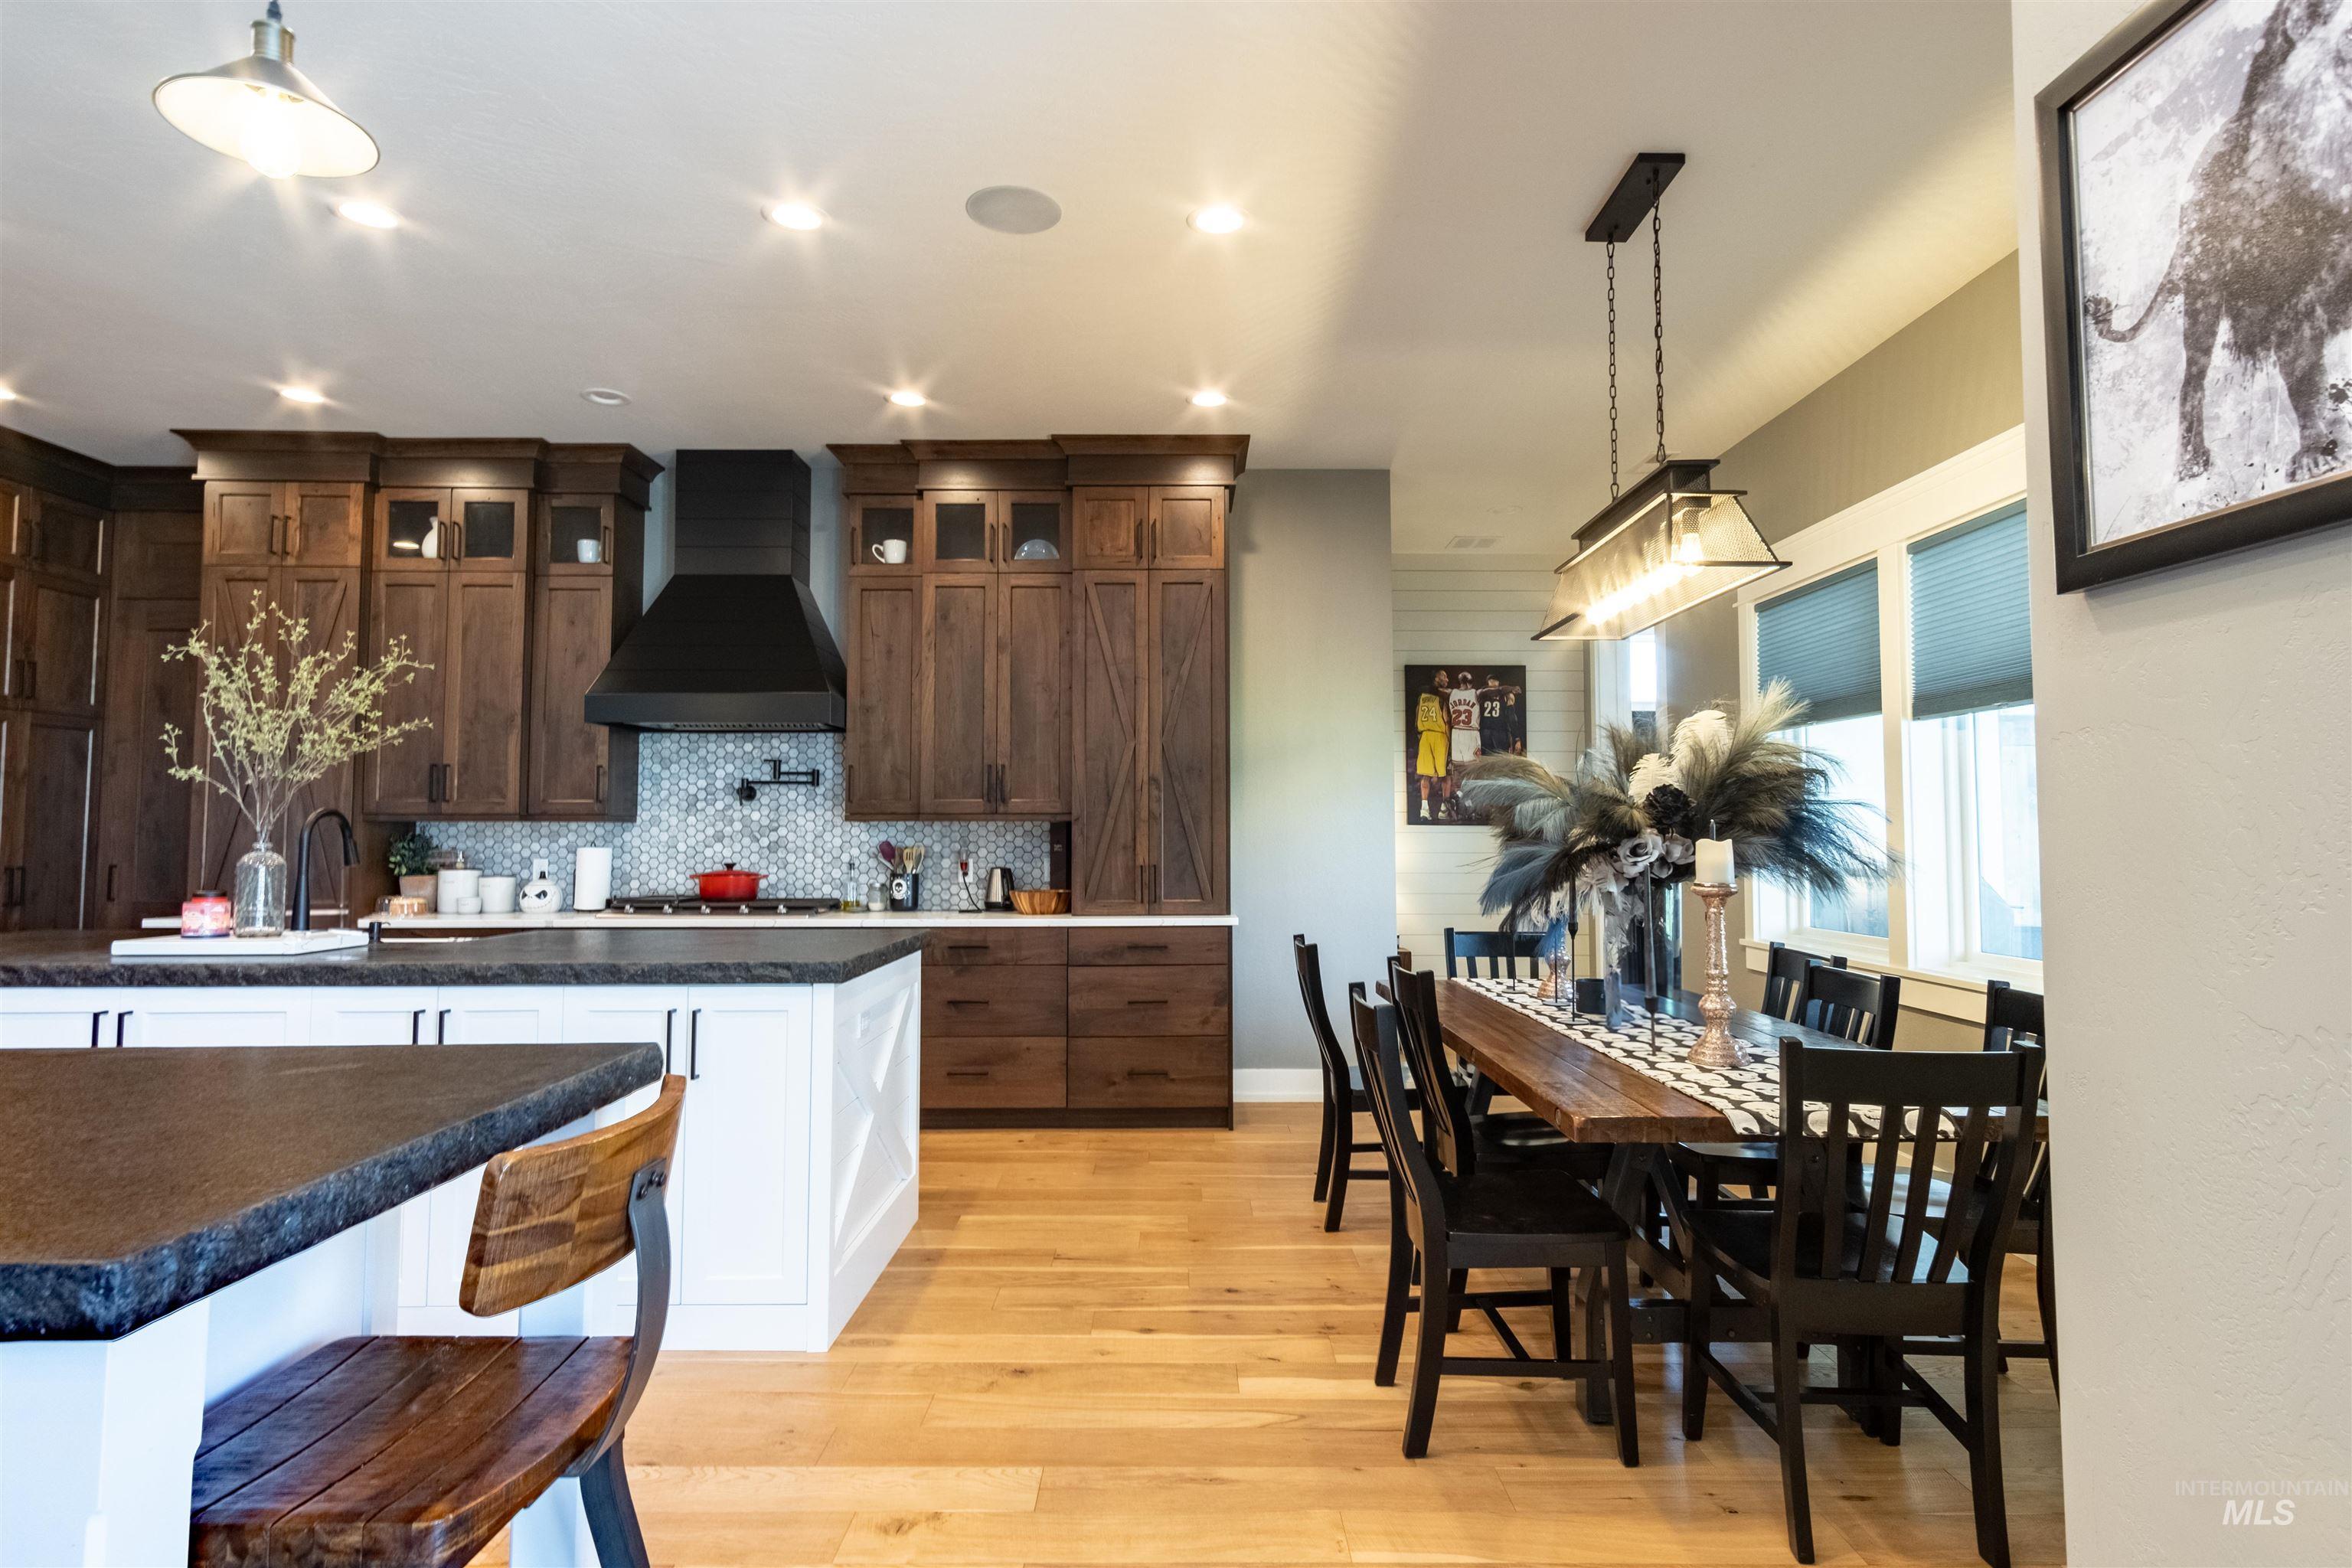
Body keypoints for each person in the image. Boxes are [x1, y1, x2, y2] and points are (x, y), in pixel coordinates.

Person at [1413, 671, 1452, 823]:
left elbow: (1416, 720)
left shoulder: (1421, 697)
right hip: (1440, 735)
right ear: (1436, 679)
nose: (1447, 679)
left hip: (1425, 735)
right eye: (1444, 676)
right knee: (1446, 774)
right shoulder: (1442, 698)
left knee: (1425, 775)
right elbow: (1447, 719)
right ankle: (1444, 810)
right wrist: (1450, 741)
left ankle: (1424, 810)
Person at [1446, 669, 1481, 817]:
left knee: (1459, 772)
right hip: (1470, 732)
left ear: (1459, 682)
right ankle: (1460, 796)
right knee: (1475, 771)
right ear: (1470, 682)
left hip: (1456, 734)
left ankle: (1466, 803)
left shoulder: (1451, 693)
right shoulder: (1476, 693)